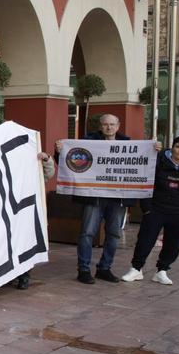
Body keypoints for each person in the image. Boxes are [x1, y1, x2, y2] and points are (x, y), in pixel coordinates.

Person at [55, 114, 136, 285]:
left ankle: (104, 268)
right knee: (87, 233)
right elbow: (70, 161)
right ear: (100, 126)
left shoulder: (129, 145)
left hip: (117, 198)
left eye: (112, 124)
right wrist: (59, 151)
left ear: (118, 125)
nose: (109, 127)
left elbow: (143, 163)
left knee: (114, 234)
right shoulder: (87, 142)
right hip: (94, 197)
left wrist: (155, 150)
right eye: (105, 124)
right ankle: (83, 269)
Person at [120, 136, 179, 285]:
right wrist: (147, 209)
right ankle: (136, 269)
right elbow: (147, 182)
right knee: (145, 240)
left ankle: (162, 271)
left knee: (173, 244)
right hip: (156, 210)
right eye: (178, 147)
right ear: (172, 147)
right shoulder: (158, 161)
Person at [13, 150, 56, 290]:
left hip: (28, 215)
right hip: (12, 216)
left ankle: (24, 275)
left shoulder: (32, 172)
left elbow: (48, 173)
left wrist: (47, 159)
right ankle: (13, 273)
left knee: (26, 244)